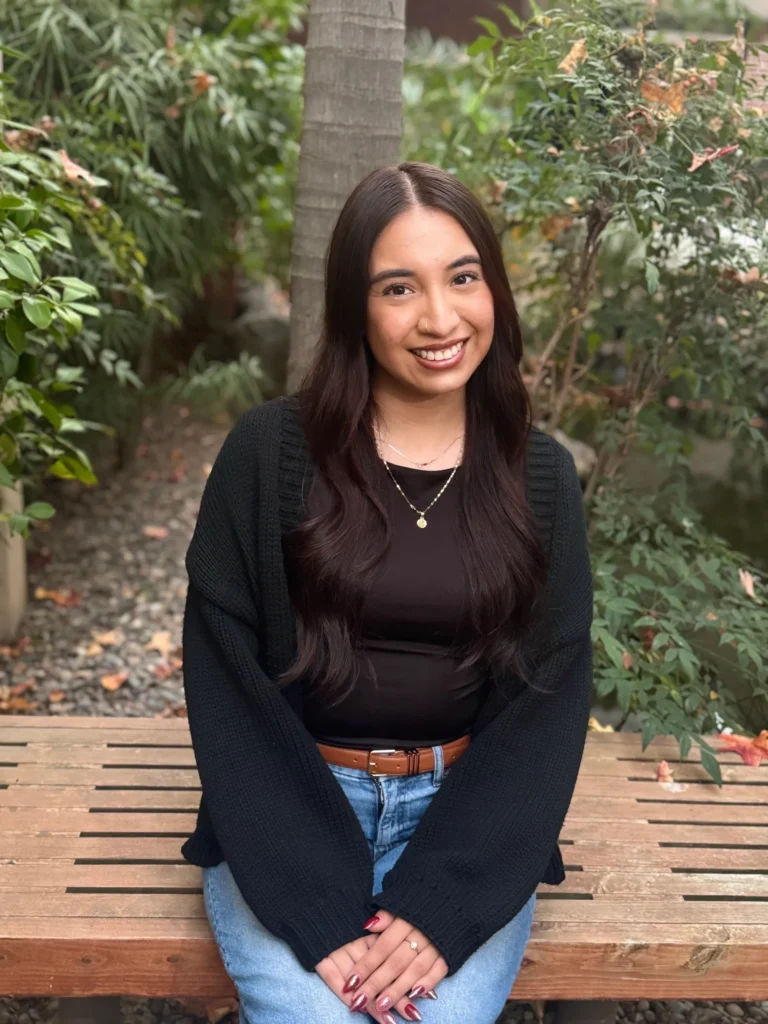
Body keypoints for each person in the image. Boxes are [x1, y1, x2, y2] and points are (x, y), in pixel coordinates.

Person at [181, 161, 593, 1024]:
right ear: (354, 309)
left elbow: (547, 698)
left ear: (495, 290)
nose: (440, 318)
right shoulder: (269, 454)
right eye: (399, 288)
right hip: (287, 809)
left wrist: (444, 904)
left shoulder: (540, 477)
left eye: (463, 278)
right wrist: (308, 899)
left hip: (466, 824)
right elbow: (226, 678)